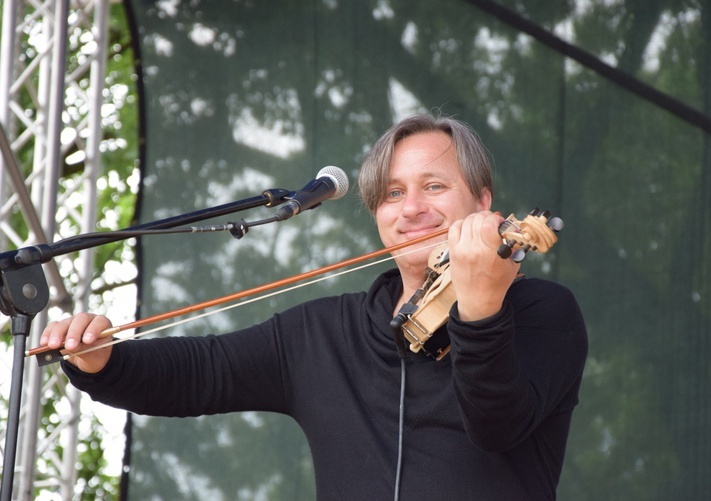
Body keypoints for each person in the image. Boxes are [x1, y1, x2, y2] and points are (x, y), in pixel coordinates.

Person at [42, 114, 588, 500]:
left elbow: (497, 426)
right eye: (393, 194)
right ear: (377, 212)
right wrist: (101, 362)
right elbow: (201, 372)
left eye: (435, 185)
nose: (413, 208)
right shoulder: (326, 334)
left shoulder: (541, 312)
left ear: (483, 202)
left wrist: (483, 306)